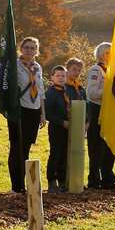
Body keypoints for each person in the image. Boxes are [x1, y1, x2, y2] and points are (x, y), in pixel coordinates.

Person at [7, 36, 46, 192]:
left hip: (34, 110)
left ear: (37, 51)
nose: (29, 50)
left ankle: (23, 184)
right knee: (17, 147)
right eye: (26, 47)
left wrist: (43, 114)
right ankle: (16, 185)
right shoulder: (14, 66)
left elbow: (41, 91)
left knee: (26, 148)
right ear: (21, 49)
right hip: (19, 109)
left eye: (32, 48)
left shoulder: (38, 67)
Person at [85, 42, 115, 188]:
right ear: (100, 54)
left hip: (109, 112)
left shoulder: (113, 70)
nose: (109, 55)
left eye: (111, 52)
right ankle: (94, 179)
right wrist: (109, 93)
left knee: (109, 146)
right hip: (97, 110)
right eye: (106, 52)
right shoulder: (95, 70)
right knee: (96, 147)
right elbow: (91, 93)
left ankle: (108, 179)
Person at [43, 65, 71, 193]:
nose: (61, 78)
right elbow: (48, 114)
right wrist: (61, 122)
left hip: (69, 128)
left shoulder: (68, 91)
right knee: (56, 153)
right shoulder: (51, 93)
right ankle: (52, 181)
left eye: (63, 76)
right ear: (52, 77)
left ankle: (62, 180)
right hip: (56, 127)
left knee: (65, 154)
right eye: (58, 76)